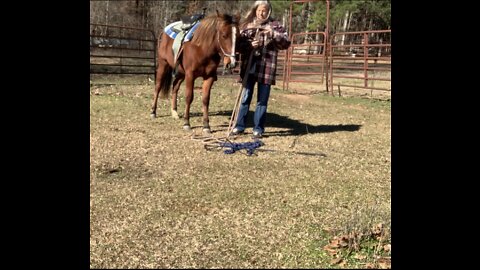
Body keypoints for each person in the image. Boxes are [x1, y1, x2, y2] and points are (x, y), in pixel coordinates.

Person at [231, 0, 290, 138]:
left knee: (262, 100)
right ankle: (239, 126)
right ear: (255, 10)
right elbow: (237, 46)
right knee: (245, 97)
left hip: (266, 68)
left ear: (268, 11)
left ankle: (258, 129)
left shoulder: (275, 26)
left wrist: (274, 34)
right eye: (258, 10)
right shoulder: (247, 25)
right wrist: (250, 45)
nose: (261, 13)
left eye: (263, 10)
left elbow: (286, 43)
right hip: (250, 67)